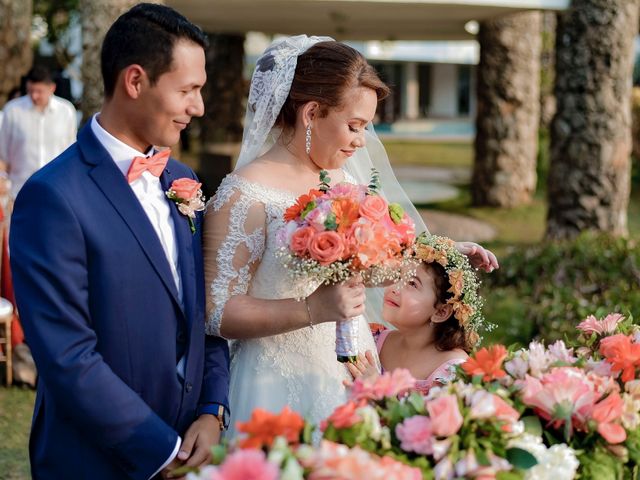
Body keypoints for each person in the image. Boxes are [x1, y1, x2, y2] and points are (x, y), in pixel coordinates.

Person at [203, 36, 498, 439]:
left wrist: (437, 254)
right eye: (354, 126)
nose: (362, 141)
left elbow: (369, 265)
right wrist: (312, 309)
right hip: (272, 382)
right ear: (311, 113)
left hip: (352, 370)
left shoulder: (339, 181)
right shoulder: (244, 194)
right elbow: (217, 312)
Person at [9, 4, 229, 479]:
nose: (199, 107)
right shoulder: (51, 196)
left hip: (192, 446)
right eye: (187, 90)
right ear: (135, 81)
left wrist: (212, 411)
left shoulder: (183, 179)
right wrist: (160, 450)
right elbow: (67, 356)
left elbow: (202, 312)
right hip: (95, 460)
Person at [347, 233, 485, 394]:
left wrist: (379, 390)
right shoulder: (374, 338)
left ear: (441, 312)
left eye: (412, 284)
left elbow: (430, 419)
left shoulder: (451, 372)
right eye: (398, 276)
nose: (394, 288)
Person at [0, 66, 77, 199]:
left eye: (39, 91)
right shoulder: (12, 111)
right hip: (19, 191)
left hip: (57, 191)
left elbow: (71, 152)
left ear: (52, 88)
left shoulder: (67, 111)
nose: (34, 96)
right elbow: (3, 154)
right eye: (30, 91)